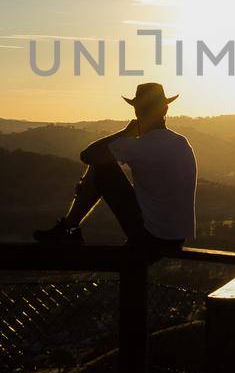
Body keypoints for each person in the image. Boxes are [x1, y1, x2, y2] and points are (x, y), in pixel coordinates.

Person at [33, 83, 196, 254]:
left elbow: (88, 155)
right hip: (176, 237)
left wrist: (126, 132)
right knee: (102, 166)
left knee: (101, 167)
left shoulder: (139, 146)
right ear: (165, 110)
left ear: (137, 111)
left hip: (151, 238)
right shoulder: (182, 143)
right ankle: (69, 229)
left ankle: (69, 229)